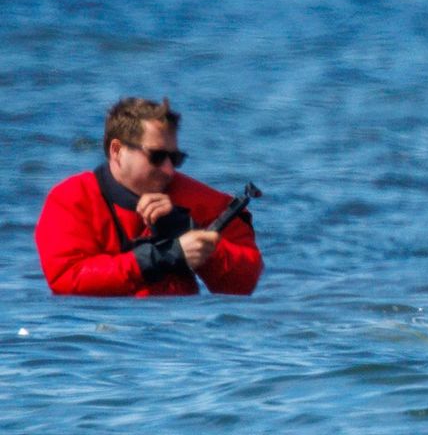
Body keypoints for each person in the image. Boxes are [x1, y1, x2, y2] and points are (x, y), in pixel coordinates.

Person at [34, 97, 263, 297]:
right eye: (157, 156)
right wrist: (163, 256)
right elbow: (67, 279)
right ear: (117, 150)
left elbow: (244, 284)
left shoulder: (198, 200)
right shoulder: (70, 199)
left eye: (175, 158)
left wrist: (193, 234)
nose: (169, 170)